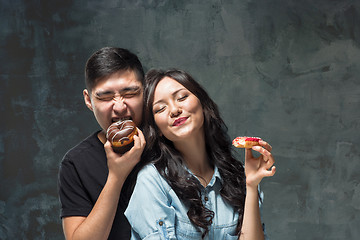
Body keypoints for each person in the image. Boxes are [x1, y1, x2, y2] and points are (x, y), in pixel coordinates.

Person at [125, 69, 276, 239]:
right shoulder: (152, 180)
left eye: (182, 98)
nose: (174, 110)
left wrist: (251, 186)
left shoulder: (238, 176)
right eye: (160, 109)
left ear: (202, 104)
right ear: (158, 130)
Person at [58, 47, 146, 239]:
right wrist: (116, 176)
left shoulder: (169, 142)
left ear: (145, 92)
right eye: (105, 97)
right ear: (88, 100)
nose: (120, 107)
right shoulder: (75, 163)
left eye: (130, 93)